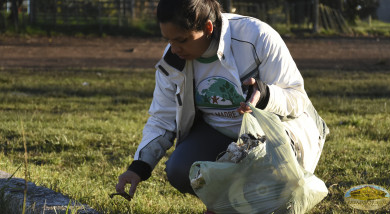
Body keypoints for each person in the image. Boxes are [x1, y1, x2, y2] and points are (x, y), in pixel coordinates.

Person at [116, 0, 329, 210]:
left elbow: (297, 98)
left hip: (275, 135)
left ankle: (246, 203)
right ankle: (228, 204)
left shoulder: (256, 37)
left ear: (208, 27)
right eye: (169, 40)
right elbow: (162, 117)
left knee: (271, 178)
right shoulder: (172, 60)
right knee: (180, 169)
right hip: (219, 133)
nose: (174, 49)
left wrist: (266, 95)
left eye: (181, 40)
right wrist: (139, 167)